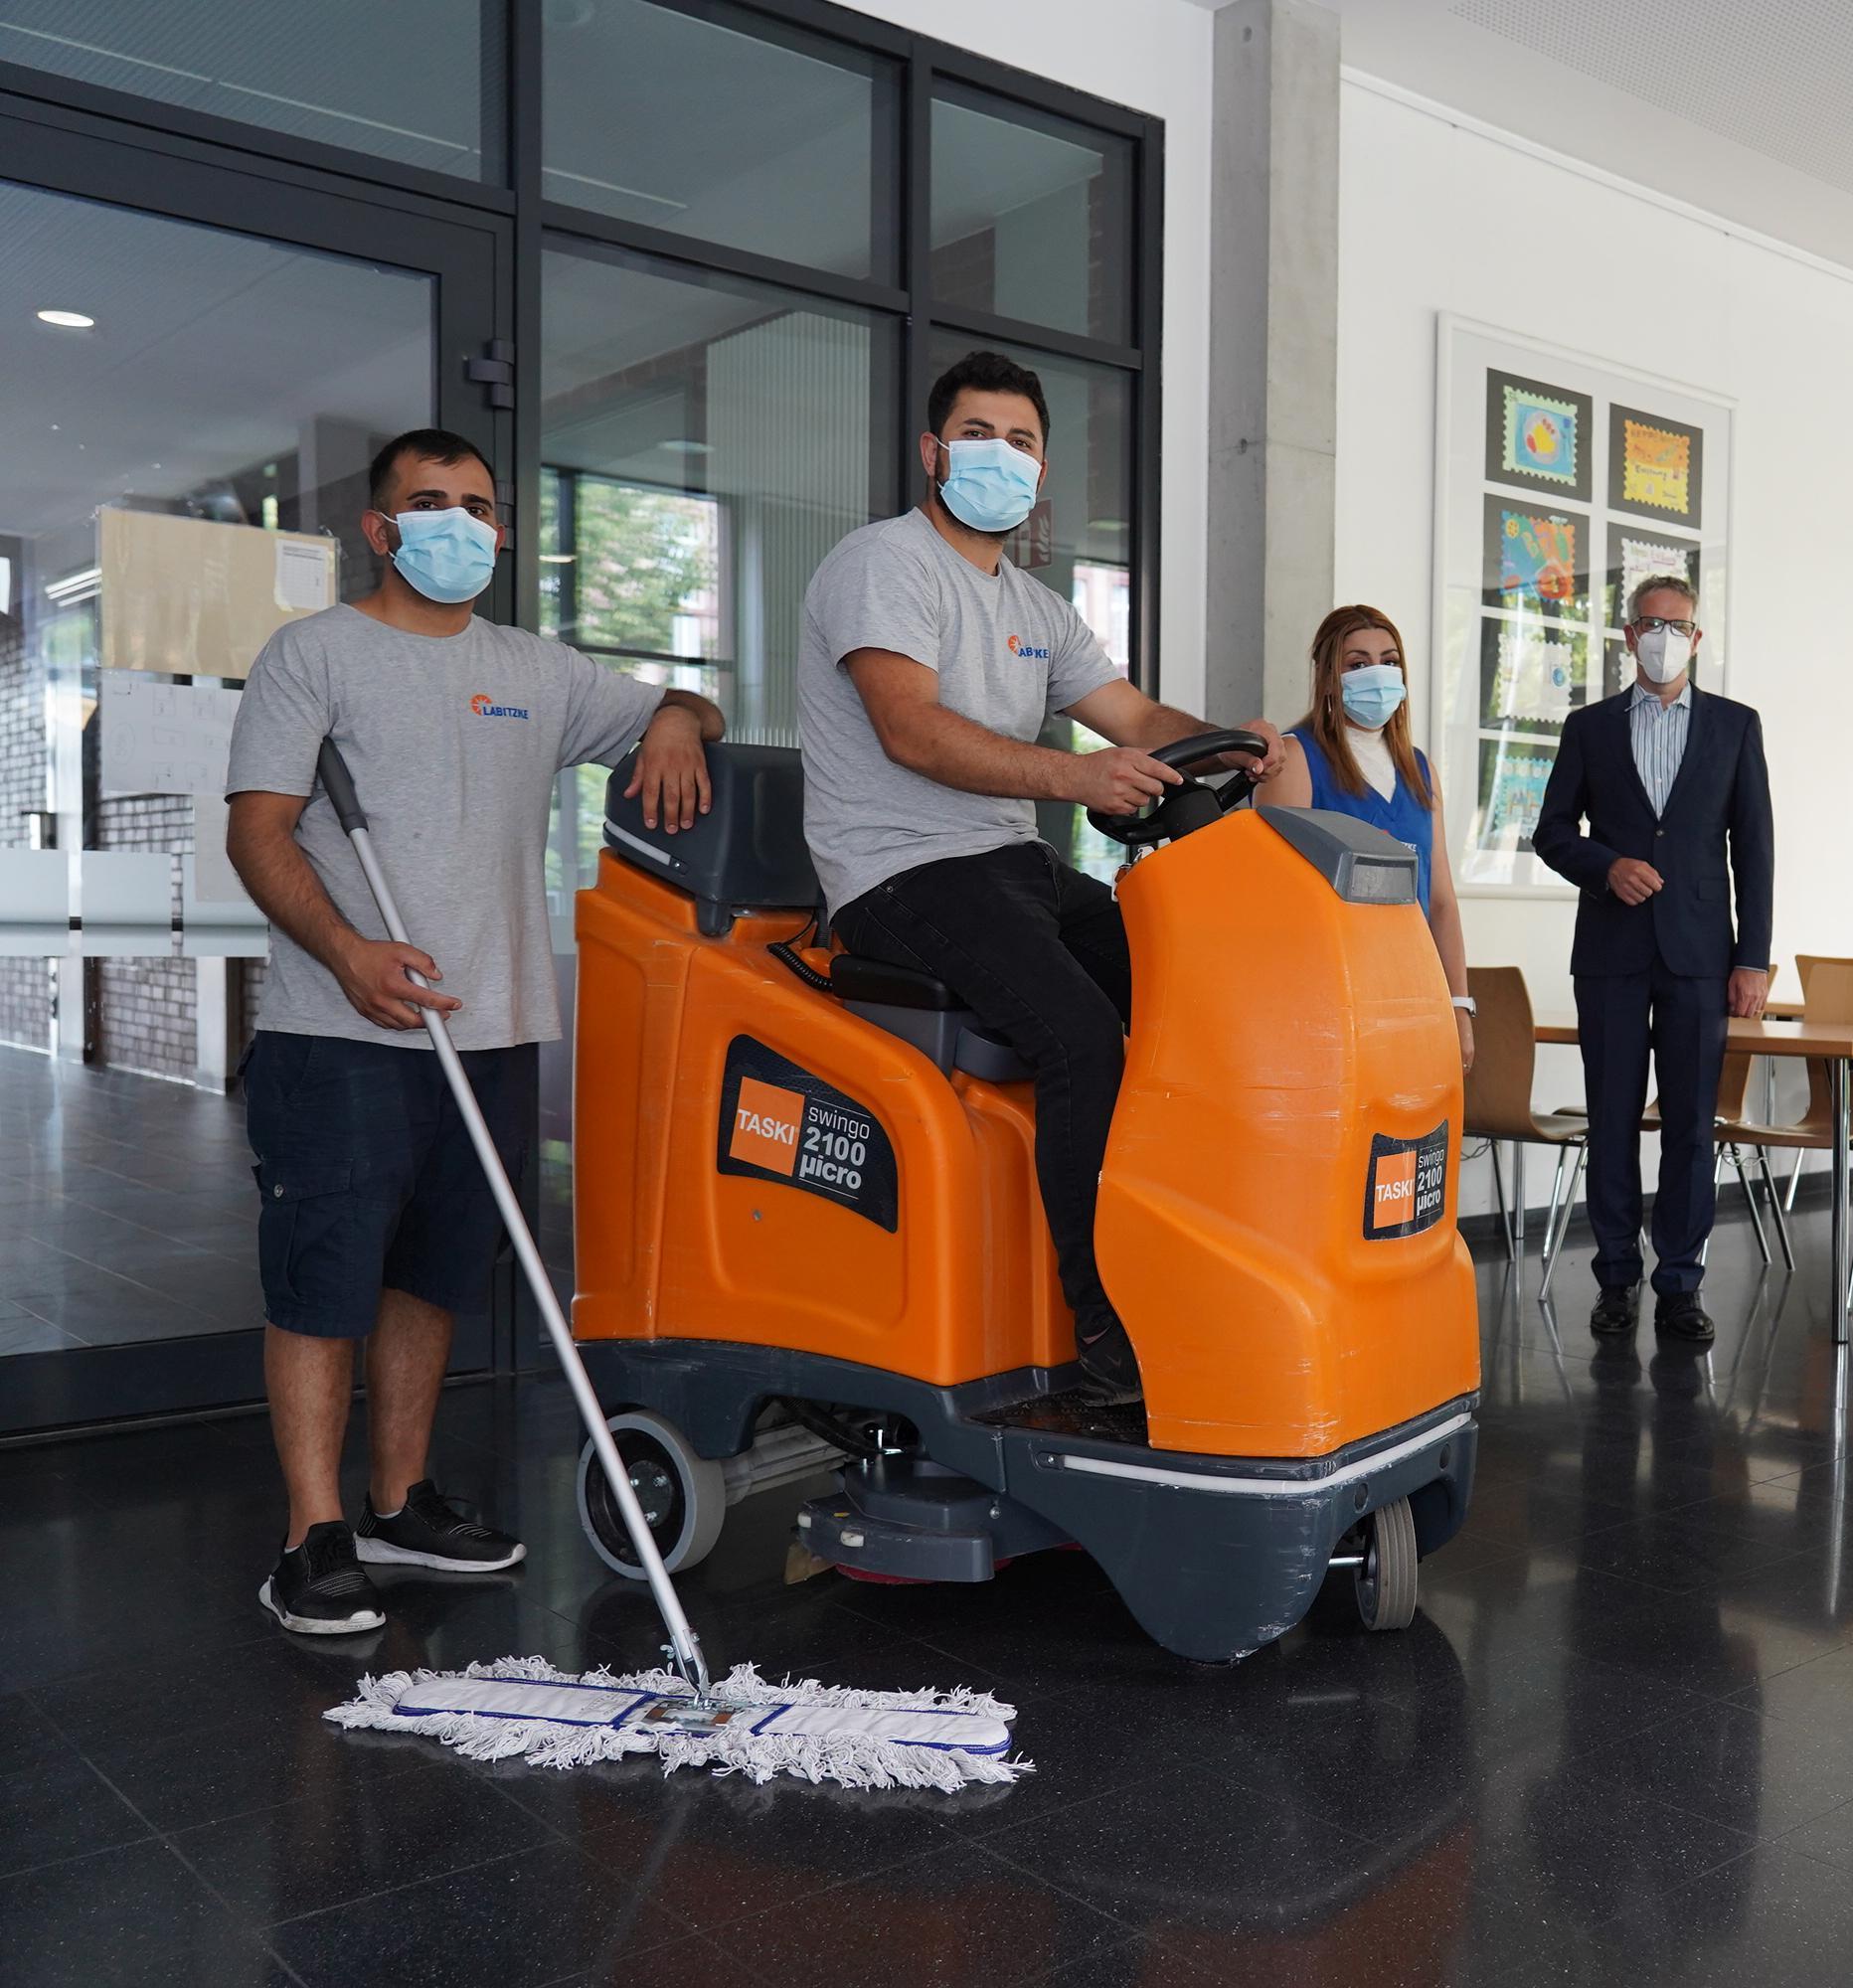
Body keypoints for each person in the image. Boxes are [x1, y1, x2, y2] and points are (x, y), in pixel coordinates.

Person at [225, 427, 722, 1635]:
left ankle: (399, 1501)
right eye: (430, 503)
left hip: (491, 1026)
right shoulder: (315, 654)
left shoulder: (536, 671)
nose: (461, 523)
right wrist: (348, 955)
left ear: (502, 531)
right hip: (338, 1031)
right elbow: (259, 831)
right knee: (322, 1284)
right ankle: (312, 1533)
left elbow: (690, 698)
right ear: (382, 529)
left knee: (433, 1275)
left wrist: (671, 717)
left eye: (480, 506)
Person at [798, 350, 1281, 1408]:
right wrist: (1076, 776)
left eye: (1019, 440)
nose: (998, 456)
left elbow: (1138, 719)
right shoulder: (883, 563)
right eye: (977, 434)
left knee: (1192, 1004)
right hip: (898, 874)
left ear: (1042, 468)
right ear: (932, 452)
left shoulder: (1034, 605)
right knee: (1078, 1035)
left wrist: (1223, 739)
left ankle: (1191, 1274)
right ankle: (1106, 1331)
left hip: (1012, 866)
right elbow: (910, 729)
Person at [1533, 578, 1773, 1345]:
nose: (1664, 635)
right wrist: (1605, 866)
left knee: (1691, 1126)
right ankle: (1614, 1279)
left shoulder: (1736, 726)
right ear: (1627, 635)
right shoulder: (1589, 727)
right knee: (1610, 1118)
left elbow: (1755, 848)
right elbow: (1551, 828)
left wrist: (1755, 957)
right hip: (1610, 949)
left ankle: (1679, 1282)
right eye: (1649, 623)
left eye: (1678, 625)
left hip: (1703, 954)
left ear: (1697, 638)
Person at [1257, 604, 1474, 1069]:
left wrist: (1459, 1006)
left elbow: (1440, 902)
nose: (1377, 674)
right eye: (1357, 664)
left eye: (1389, 661)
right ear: (1329, 676)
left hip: (1413, 991)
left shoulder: (1420, 770)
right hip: (1331, 995)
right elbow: (1278, 900)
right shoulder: (1295, 759)